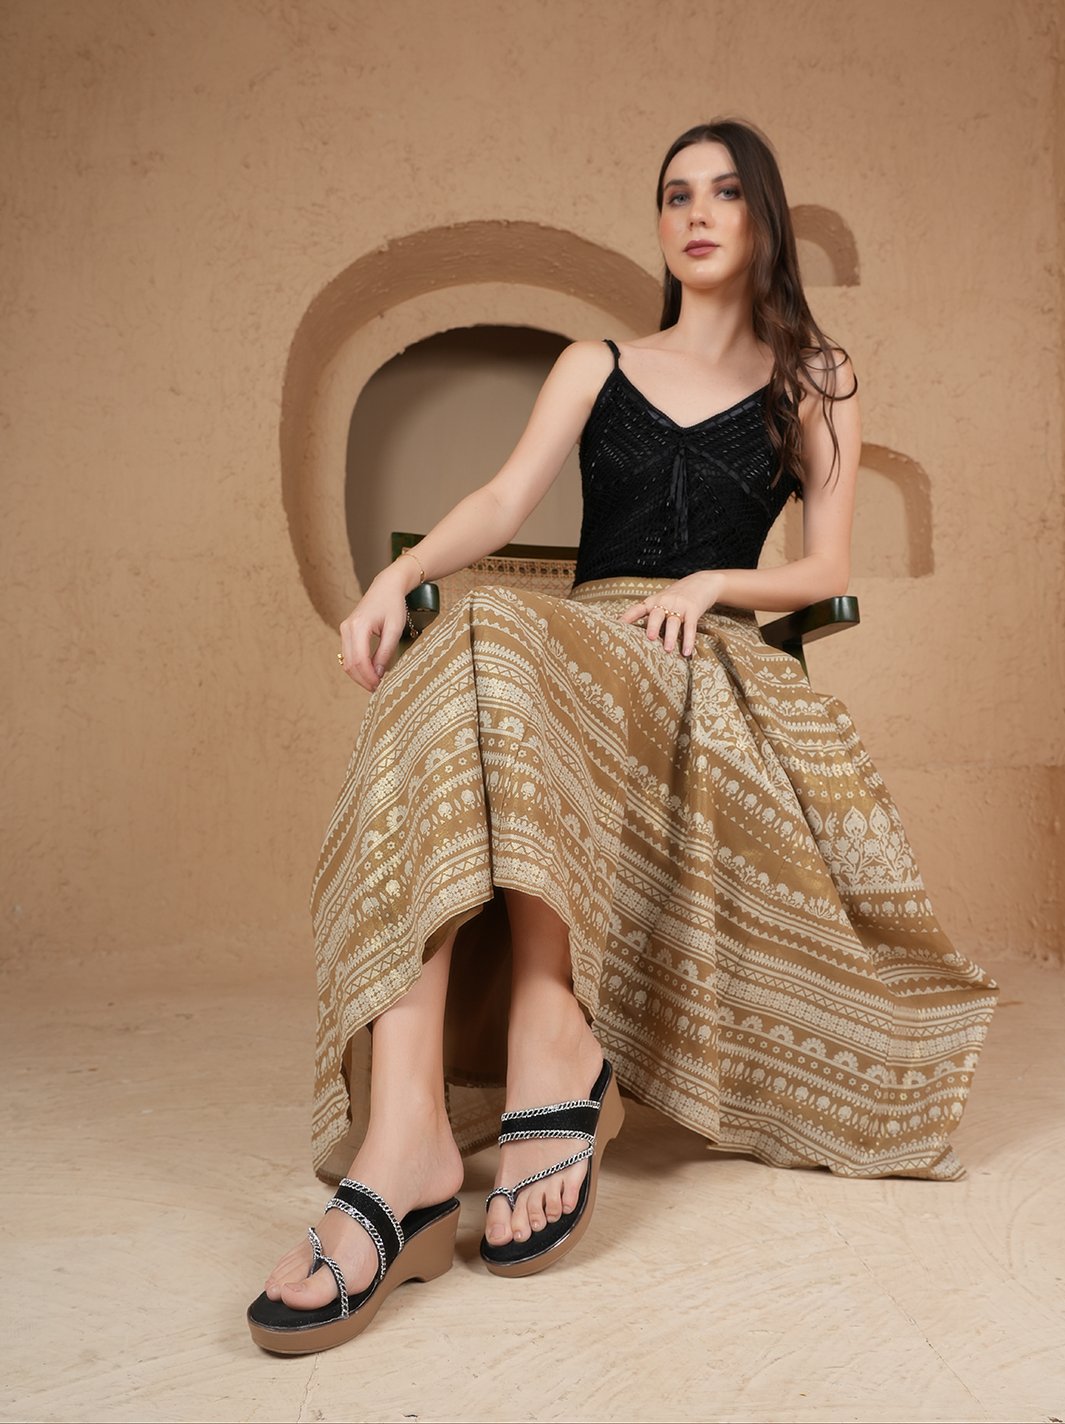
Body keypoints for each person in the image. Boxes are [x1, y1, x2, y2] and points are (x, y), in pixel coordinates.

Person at [247, 118, 999, 1354]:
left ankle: (511, 1062)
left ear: (761, 216)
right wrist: (397, 577)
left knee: (484, 643)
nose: (695, 214)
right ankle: (410, 1131)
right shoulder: (594, 363)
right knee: (472, 636)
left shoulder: (816, 378)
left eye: (723, 193)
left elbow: (826, 566)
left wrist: (713, 584)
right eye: (674, 195)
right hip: (577, 639)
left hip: (706, 660)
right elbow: (502, 499)